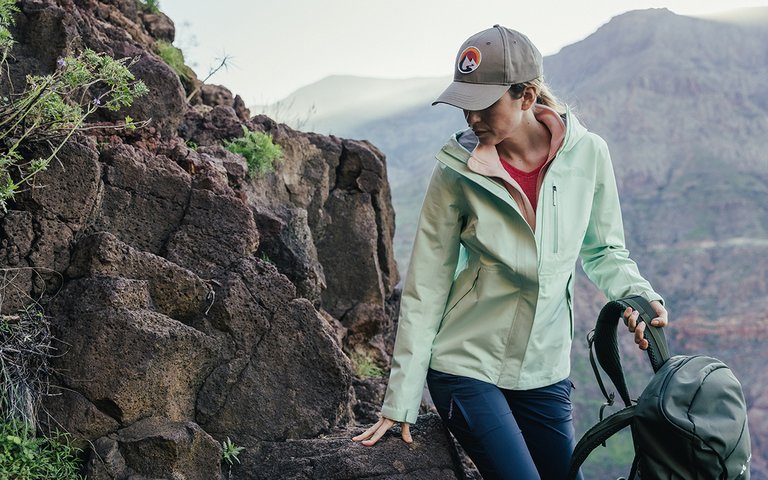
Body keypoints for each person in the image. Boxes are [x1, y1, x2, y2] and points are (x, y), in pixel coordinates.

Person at [352, 25, 668, 480]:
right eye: (465, 105)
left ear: (527, 96)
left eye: (484, 105)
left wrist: (639, 296)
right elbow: (427, 285)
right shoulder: (457, 171)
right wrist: (400, 400)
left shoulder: (589, 155)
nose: (472, 118)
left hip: (545, 370)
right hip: (466, 365)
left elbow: (604, 251)